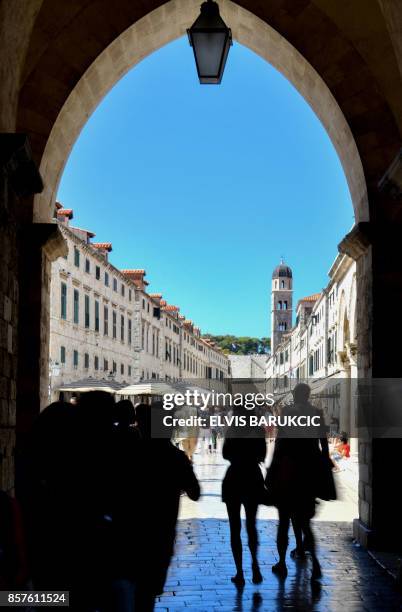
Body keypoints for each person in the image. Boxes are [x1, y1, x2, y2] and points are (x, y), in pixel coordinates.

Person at [124, 402, 201, 611]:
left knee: (135, 591)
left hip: (131, 534)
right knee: (147, 593)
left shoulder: (130, 455)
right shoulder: (176, 458)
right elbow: (195, 493)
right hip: (161, 536)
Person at [266, 383, 336, 581]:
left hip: (288, 472)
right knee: (304, 522)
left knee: (283, 521)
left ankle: (281, 562)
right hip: (308, 473)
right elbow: (323, 443)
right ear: (308, 395)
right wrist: (323, 464)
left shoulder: (287, 412)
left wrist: (272, 469)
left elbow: (280, 441)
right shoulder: (316, 412)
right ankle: (315, 563)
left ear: (295, 395)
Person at [222, 406, 266, 587]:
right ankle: (255, 565)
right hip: (252, 478)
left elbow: (225, 454)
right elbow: (262, 455)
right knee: (251, 525)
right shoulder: (258, 430)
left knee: (235, 528)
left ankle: (239, 572)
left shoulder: (232, 429)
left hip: (233, 479)